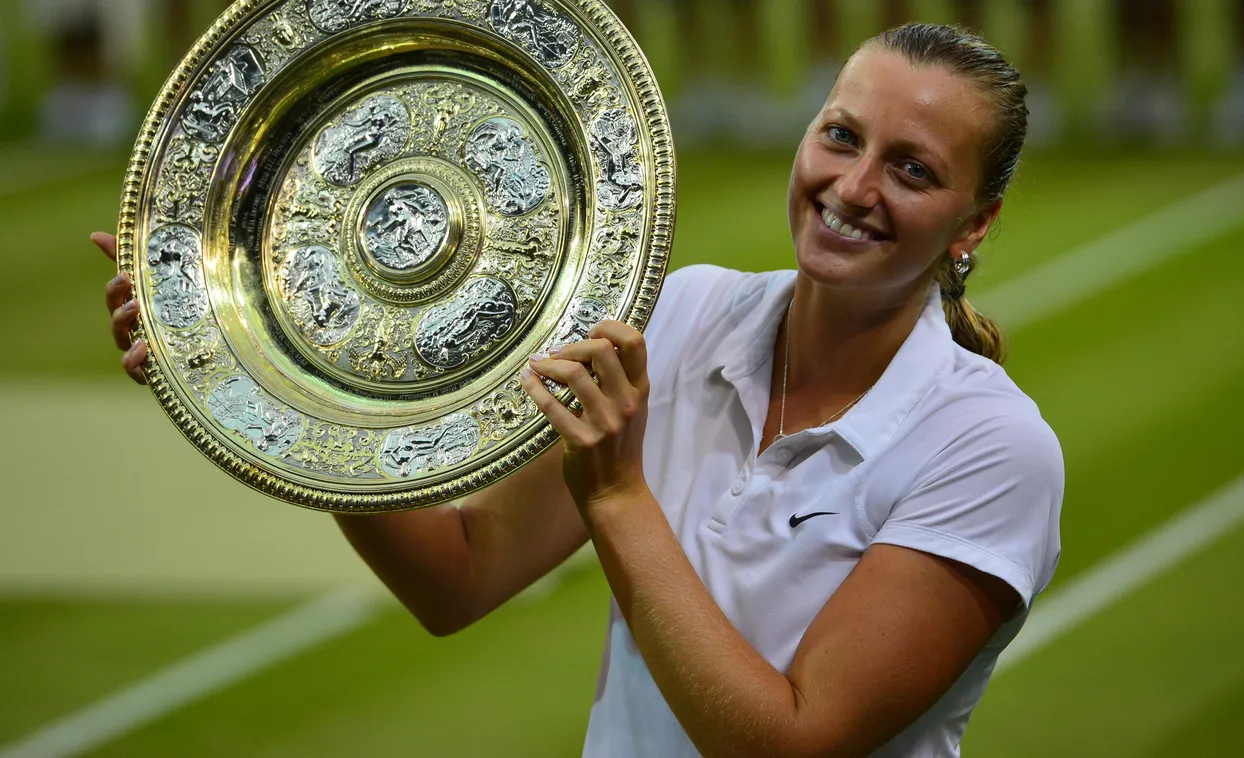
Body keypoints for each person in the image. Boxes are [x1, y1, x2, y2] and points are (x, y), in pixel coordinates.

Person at [94, 23, 1063, 758]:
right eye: (840, 136)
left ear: (974, 224)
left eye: (912, 169)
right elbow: (459, 574)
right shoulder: (686, 316)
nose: (852, 187)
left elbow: (791, 740)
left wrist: (615, 493)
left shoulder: (990, 449)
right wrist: (269, 379)